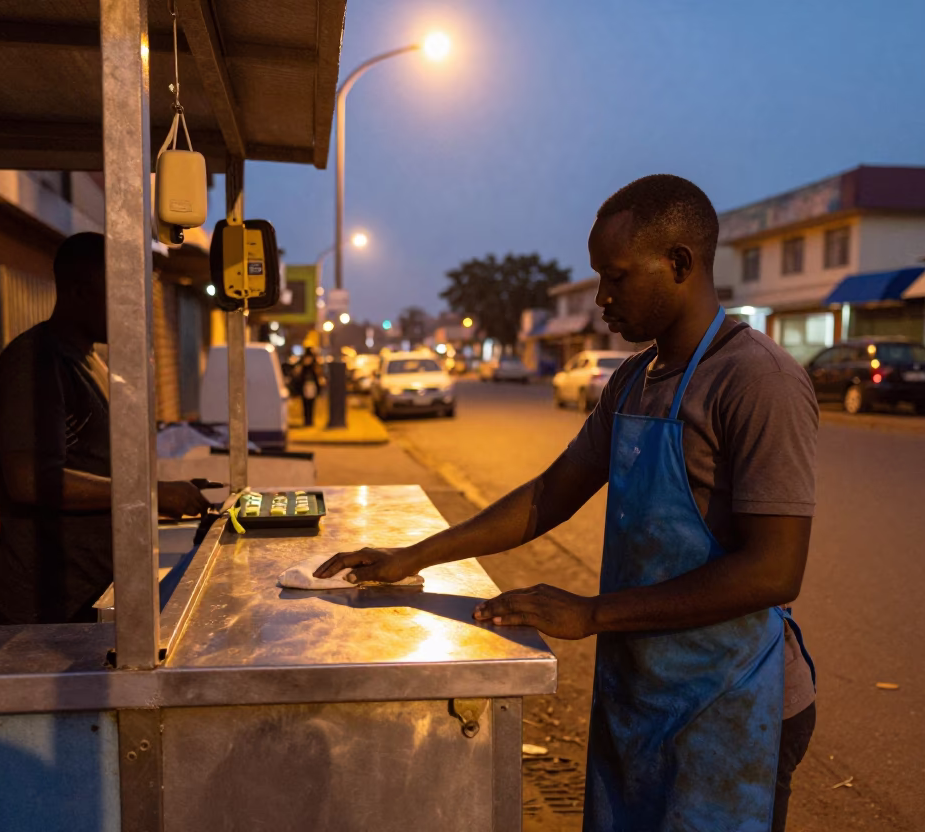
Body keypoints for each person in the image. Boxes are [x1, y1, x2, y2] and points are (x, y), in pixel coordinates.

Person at [316, 175, 818, 831]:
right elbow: (551, 493)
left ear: (680, 264)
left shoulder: (758, 380)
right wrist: (413, 557)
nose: (601, 300)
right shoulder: (633, 381)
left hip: (735, 701)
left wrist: (591, 612)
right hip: (643, 691)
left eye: (616, 277)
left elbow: (775, 570)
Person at [0, 232, 210, 625]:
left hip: (92, 587)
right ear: (78, 290)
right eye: (117, 291)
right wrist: (150, 494)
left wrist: (167, 493)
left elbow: (95, 464)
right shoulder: (34, 364)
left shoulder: (91, 361)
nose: (131, 305)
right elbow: (29, 480)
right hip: (45, 605)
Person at [295, 347, 322, 427]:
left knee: (310, 404)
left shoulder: (312, 365)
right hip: (307, 385)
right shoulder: (307, 366)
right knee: (307, 404)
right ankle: (308, 420)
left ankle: (309, 421)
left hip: (309, 385)